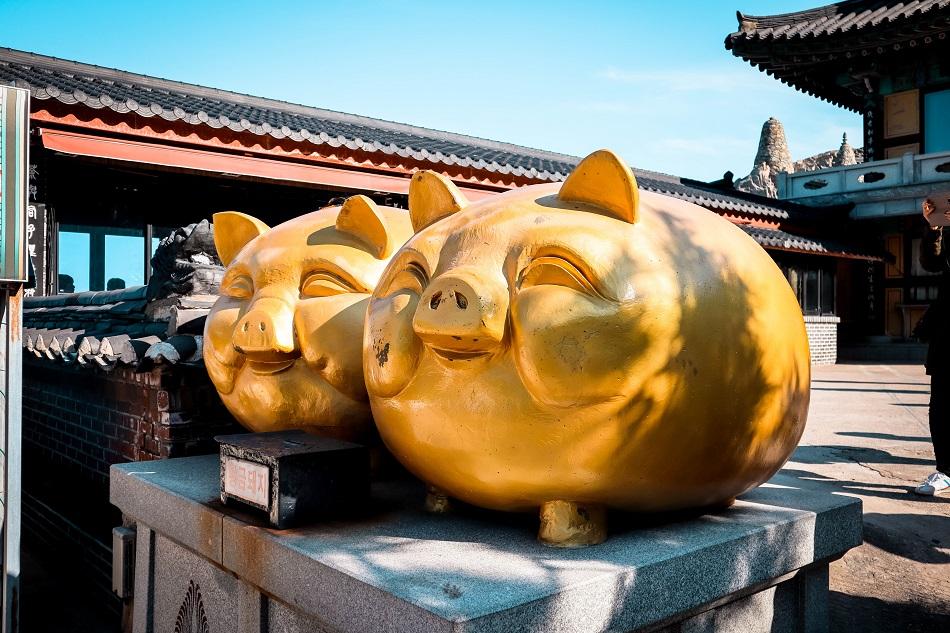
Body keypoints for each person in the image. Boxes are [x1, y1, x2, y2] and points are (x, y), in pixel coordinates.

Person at [915, 200, 950, 495]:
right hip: (948, 332)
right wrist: (934, 228)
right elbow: (931, 263)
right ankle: (945, 471)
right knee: (941, 404)